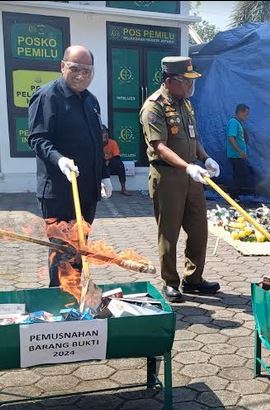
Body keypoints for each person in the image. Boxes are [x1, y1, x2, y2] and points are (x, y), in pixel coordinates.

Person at [28, 45, 112, 288]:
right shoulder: (48, 96)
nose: (81, 75)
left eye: (87, 70)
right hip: (58, 191)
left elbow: (97, 142)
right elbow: (37, 138)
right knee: (62, 251)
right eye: (75, 68)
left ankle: (77, 293)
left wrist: (104, 175)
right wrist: (59, 159)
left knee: (80, 248)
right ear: (62, 66)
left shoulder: (91, 101)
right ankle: (59, 299)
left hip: (86, 191)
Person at [140, 56, 220, 303]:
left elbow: (193, 139)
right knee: (169, 232)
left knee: (199, 229)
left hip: (191, 175)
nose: (189, 87)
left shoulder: (186, 105)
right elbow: (160, 146)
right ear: (170, 80)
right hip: (168, 177)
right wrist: (187, 167)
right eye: (185, 82)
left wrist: (205, 159)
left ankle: (194, 279)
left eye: (190, 82)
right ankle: (170, 283)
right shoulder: (154, 106)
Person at [226, 103, 253, 198]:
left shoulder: (238, 123)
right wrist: (240, 151)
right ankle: (232, 196)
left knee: (239, 175)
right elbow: (231, 138)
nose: (247, 117)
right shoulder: (234, 122)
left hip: (238, 155)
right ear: (240, 112)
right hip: (236, 155)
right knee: (240, 175)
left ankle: (234, 195)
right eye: (246, 114)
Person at [102, 126, 130, 196]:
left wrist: (108, 160)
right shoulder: (96, 143)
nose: (105, 134)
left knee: (120, 164)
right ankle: (103, 190)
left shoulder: (112, 142)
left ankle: (123, 189)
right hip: (100, 164)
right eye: (102, 132)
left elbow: (116, 156)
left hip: (110, 163)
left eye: (106, 132)